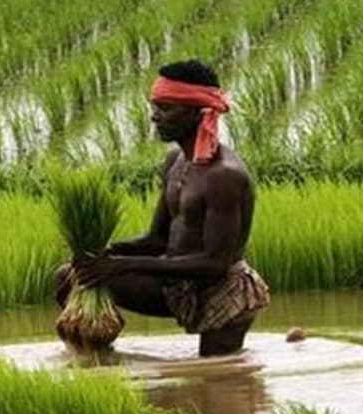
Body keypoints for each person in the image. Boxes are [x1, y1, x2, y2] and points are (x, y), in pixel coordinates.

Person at [54, 59, 270, 356]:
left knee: (216, 374)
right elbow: (157, 240)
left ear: (197, 112)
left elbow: (214, 263)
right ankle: (99, 361)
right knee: (68, 277)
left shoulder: (224, 175)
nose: (155, 117)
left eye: (166, 108)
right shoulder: (175, 162)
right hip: (173, 283)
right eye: (155, 107)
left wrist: (123, 265)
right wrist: (102, 253)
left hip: (220, 292)